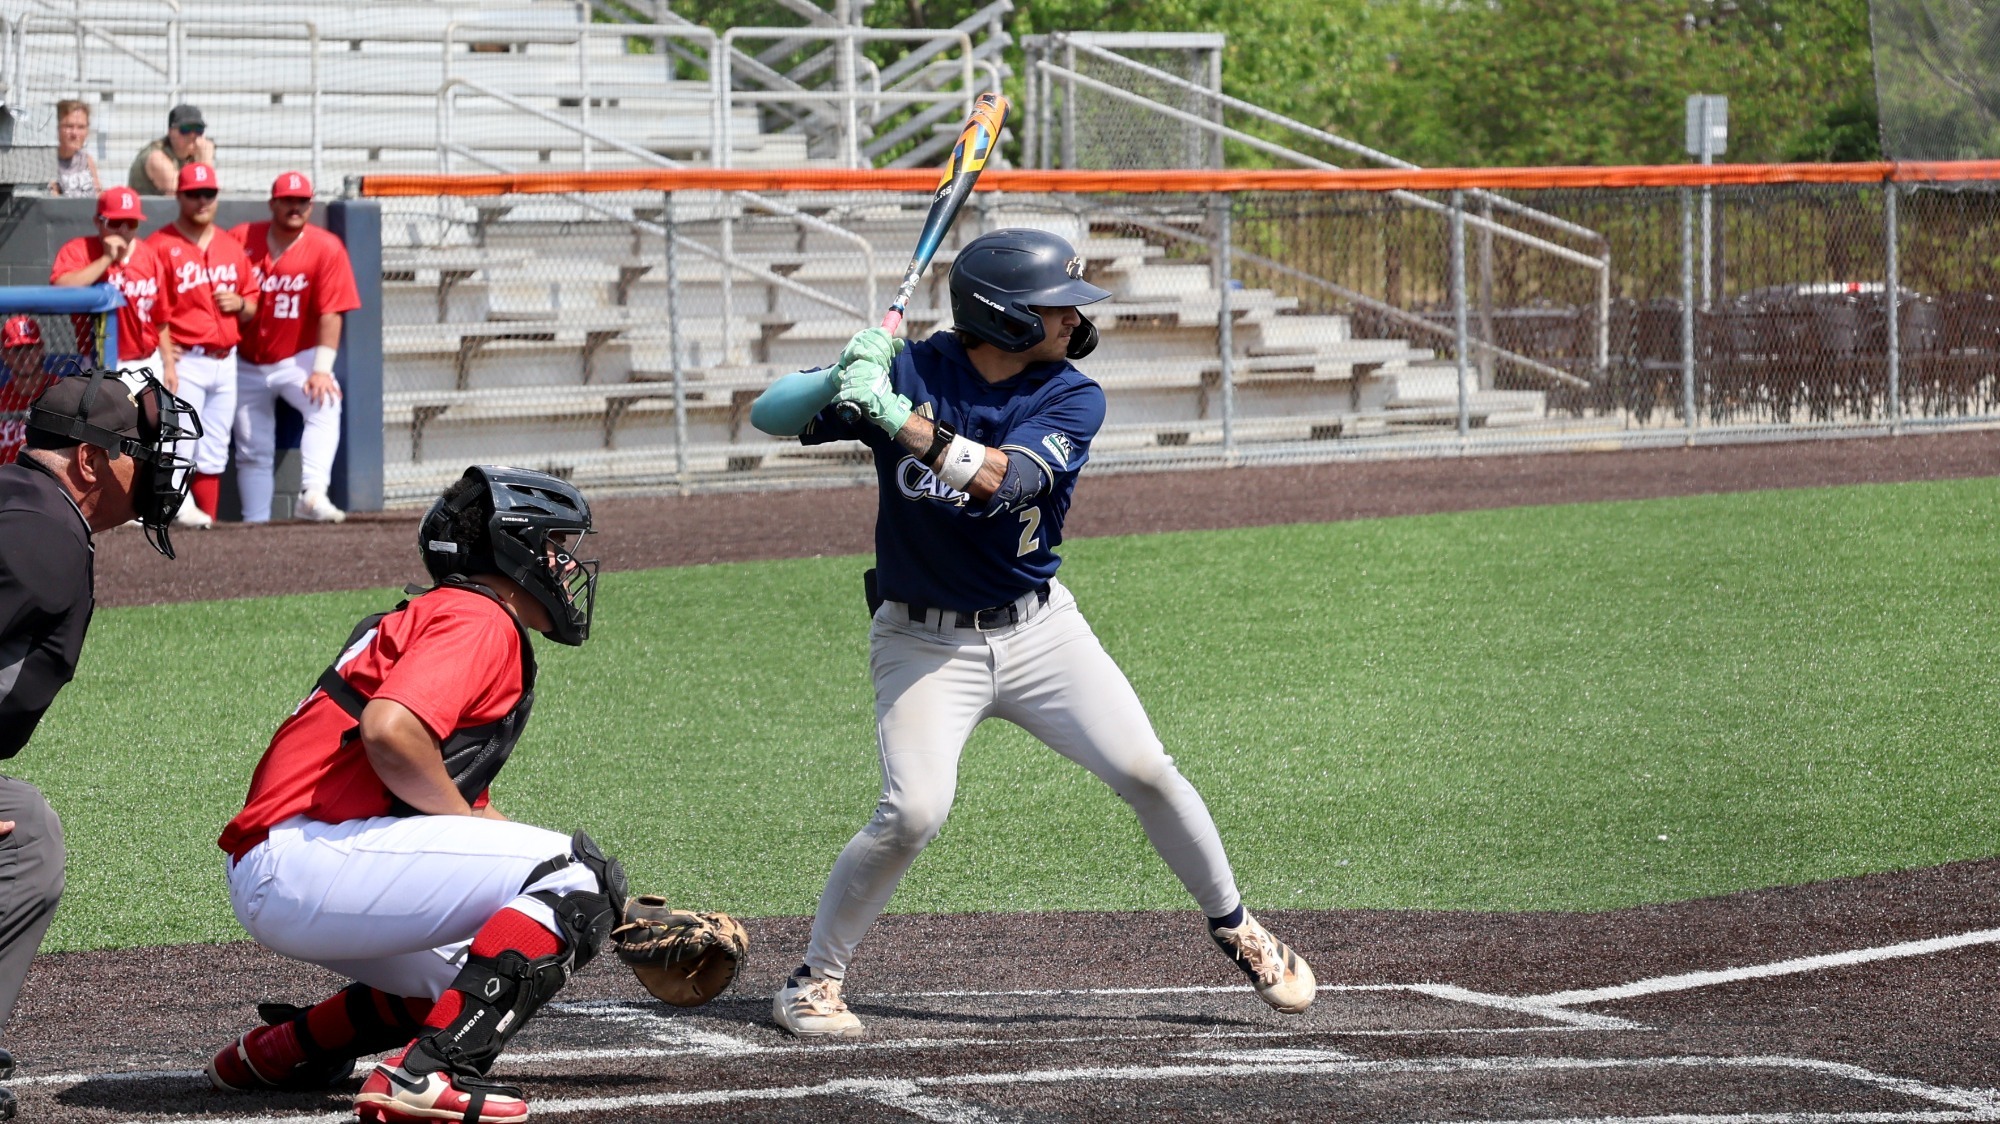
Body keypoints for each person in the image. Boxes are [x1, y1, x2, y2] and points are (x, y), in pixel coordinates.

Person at [749, 228, 1317, 1038]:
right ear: (1004, 316)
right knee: (913, 813)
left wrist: (893, 416)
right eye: (1057, 307)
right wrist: (844, 373)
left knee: (1146, 769)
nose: (1074, 320)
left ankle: (1238, 927)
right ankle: (812, 980)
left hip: (1041, 633)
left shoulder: (1071, 395)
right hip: (922, 644)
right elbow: (768, 416)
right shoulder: (911, 370)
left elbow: (1000, 480)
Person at [209, 465, 622, 1124]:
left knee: (478, 968)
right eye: (552, 546)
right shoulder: (480, 616)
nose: (563, 564)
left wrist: (625, 921)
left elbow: (456, 815)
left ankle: (278, 1051)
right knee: (579, 876)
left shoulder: (443, 612)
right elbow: (391, 732)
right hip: (306, 857)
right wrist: (598, 892)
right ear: (512, 547)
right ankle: (425, 1076)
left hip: (297, 860)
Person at [0, 365, 197, 1120]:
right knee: (23, 842)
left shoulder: (27, 511)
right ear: (88, 461)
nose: (155, 468)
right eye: (138, 452)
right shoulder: (38, 533)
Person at [230, 172, 360, 524]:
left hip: (297, 357)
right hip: (245, 358)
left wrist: (321, 368)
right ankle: (254, 522)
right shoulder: (241, 238)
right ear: (273, 203)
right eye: (287, 200)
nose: (295, 207)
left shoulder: (326, 246)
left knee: (326, 401)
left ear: (310, 205)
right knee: (252, 447)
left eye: (302, 201)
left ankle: (313, 494)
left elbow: (332, 312)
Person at [147, 163, 253, 527]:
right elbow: (147, 302)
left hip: (227, 360)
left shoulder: (230, 245)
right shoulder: (159, 245)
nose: (202, 201)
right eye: (193, 194)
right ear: (179, 196)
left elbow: (252, 301)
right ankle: (171, 516)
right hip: (187, 359)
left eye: (208, 194)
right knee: (180, 444)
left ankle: (205, 522)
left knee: (214, 448)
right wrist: (164, 353)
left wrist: (240, 304)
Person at [51, 186, 173, 391]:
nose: (123, 231)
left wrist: (169, 362)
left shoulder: (149, 256)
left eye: (131, 223)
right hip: (99, 364)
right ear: (98, 222)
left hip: (147, 364)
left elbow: (160, 319)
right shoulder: (79, 250)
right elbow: (59, 288)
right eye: (115, 223)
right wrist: (106, 258)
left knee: (154, 423)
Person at [129, 104, 215, 197]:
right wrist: (205, 163)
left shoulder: (193, 154)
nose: (193, 136)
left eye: (198, 130)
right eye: (186, 129)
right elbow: (186, 198)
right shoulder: (157, 157)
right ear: (170, 132)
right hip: (149, 210)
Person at [0, 319, 51, 465]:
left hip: (50, 481)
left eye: (29, 347)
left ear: (41, 349)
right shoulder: (2, 398)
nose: (24, 356)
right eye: (17, 349)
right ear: (4, 354)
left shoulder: (61, 390)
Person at [51, 100, 100, 197]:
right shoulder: (47, 162)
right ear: (56, 127)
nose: (75, 133)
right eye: (69, 126)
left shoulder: (86, 160)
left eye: (81, 127)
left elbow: (98, 194)